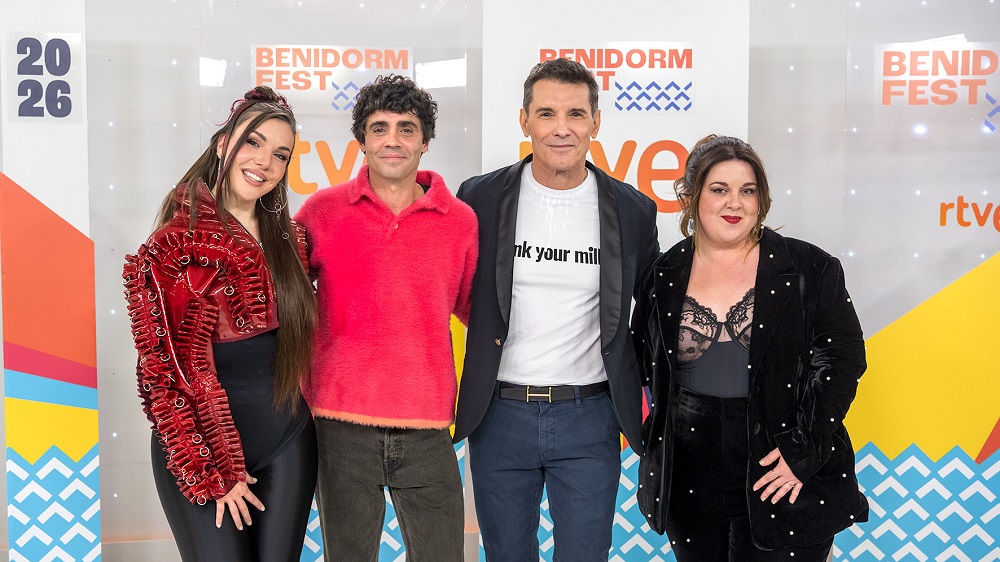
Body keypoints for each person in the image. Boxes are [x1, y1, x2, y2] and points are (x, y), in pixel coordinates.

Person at [453, 57, 659, 561]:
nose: (561, 128)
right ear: (524, 120)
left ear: (596, 122)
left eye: (575, 114)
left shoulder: (632, 210)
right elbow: (452, 290)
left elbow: (655, 310)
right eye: (546, 113)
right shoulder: (478, 198)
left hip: (590, 417)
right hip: (499, 414)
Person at [632, 134, 869, 561]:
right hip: (689, 473)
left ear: (762, 200)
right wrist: (653, 444)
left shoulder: (810, 268)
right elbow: (643, 364)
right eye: (719, 189)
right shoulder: (663, 274)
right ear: (690, 197)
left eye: (748, 190)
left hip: (782, 463)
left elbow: (842, 360)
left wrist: (803, 450)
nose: (734, 203)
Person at [123, 86, 318, 561]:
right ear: (223, 144)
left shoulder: (292, 240)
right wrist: (217, 472)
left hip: (288, 440)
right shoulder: (173, 245)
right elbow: (166, 374)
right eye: (253, 142)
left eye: (280, 154)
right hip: (200, 450)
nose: (264, 162)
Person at [293, 74, 478, 562]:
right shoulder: (321, 212)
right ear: (362, 139)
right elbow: (283, 301)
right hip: (339, 424)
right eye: (379, 128)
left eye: (406, 128)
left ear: (425, 141)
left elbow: (478, 314)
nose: (392, 140)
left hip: (428, 424)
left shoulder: (461, 222)